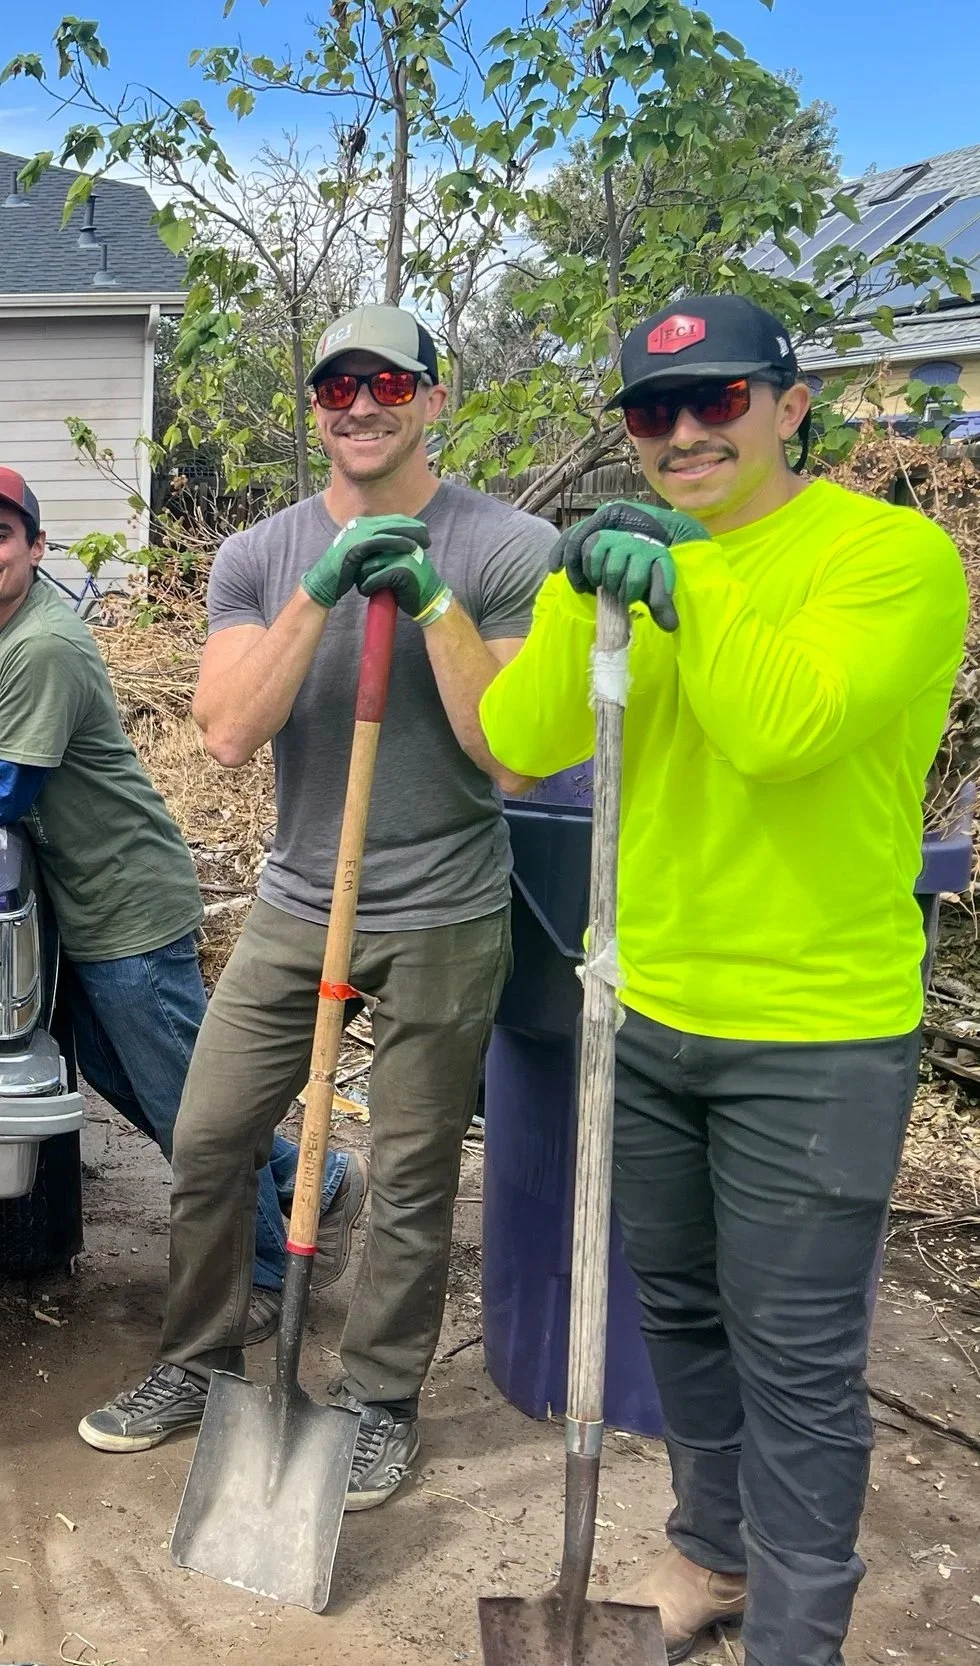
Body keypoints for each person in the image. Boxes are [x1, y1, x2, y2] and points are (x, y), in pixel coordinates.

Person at [482, 294, 966, 1666]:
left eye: (720, 401)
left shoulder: (892, 557)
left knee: (799, 1365)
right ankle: (716, 1555)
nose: (686, 432)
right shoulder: (633, 563)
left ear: (790, 404)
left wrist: (691, 579)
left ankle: (794, 1642)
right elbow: (520, 741)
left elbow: (780, 730)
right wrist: (579, 590)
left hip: (813, 1029)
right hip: (644, 1009)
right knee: (680, 1309)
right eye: (653, 411)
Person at [94, 305, 553, 1508]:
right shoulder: (255, 553)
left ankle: (375, 1398)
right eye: (339, 386)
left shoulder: (508, 546)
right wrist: (321, 588)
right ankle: (196, 1360)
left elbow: (508, 756)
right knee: (205, 1137)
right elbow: (232, 732)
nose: (361, 404)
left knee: (406, 1170)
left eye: (389, 384)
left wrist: (435, 605)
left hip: (446, 905)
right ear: (315, 407)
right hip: (303, 899)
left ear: (433, 399)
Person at [0, 464, 360, 1425]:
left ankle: (266, 1276)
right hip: (59, 905)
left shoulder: (47, 647)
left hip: (125, 900)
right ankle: (311, 1178)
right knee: (123, 1086)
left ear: (36, 549)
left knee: (188, 1104)